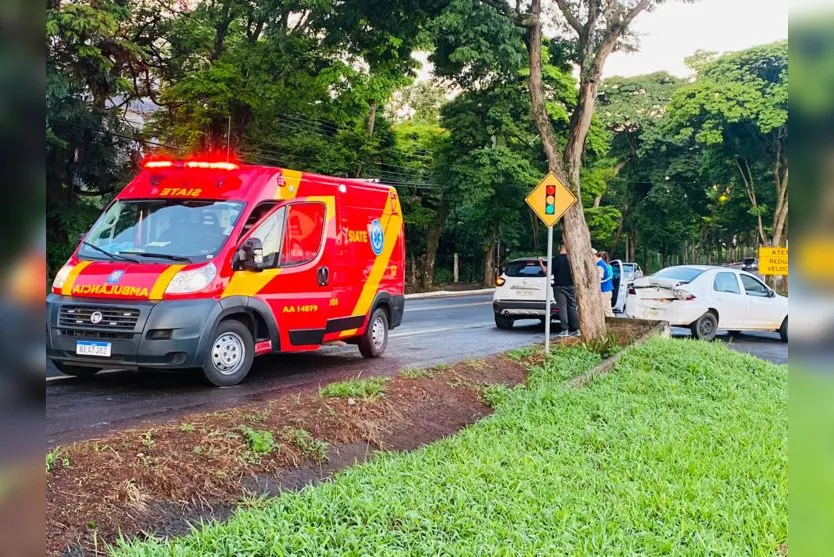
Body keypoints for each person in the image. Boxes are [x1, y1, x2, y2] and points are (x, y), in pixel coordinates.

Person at [539, 244, 580, 337]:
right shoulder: (572, 259)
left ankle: (565, 329)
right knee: (572, 307)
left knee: (562, 308)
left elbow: (547, 272)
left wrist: (541, 263)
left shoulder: (555, 259)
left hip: (559, 286)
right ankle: (575, 329)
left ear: (559, 248)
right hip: (571, 286)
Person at [594, 248, 615, 317]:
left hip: (603, 291)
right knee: (608, 311)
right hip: (608, 290)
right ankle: (612, 325)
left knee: (599, 310)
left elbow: (598, 280)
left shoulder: (600, 265)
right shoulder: (605, 264)